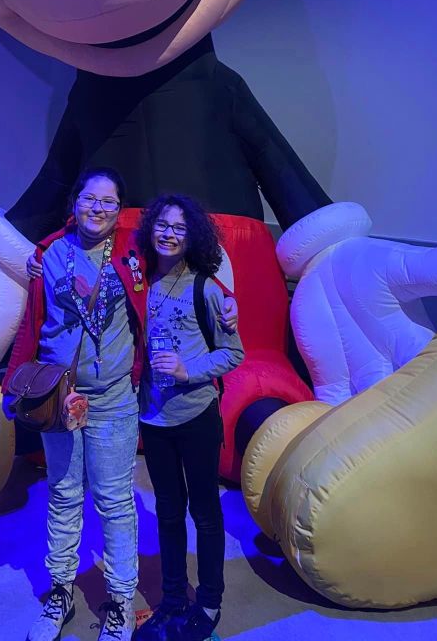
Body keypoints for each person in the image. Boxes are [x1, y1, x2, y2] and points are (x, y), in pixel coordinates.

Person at [6, 167, 143, 641]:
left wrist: (223, 301)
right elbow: (32, 321)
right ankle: (60, 591)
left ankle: (120, 602)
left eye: (108, 201)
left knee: (114, 501)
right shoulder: (49, 254)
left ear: (119, 209)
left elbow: (180, 272)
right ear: (76, 202)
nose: (97, 208)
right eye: (90, 198)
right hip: (59, 398)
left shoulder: (133, 253)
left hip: (114, 398)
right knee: (64, 494)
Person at [134, 194, 244, 641]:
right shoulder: (138, 282)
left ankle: (210, 602)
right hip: (153, 419)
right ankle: (173, 598)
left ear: (192, 235)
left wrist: (188, 370)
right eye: (163, 224)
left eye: (179, 227)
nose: (169, 234)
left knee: (204, 511)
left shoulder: (207, 289)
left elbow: (233, 353)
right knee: (167, 511)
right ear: (150, 229)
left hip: (197, 415)